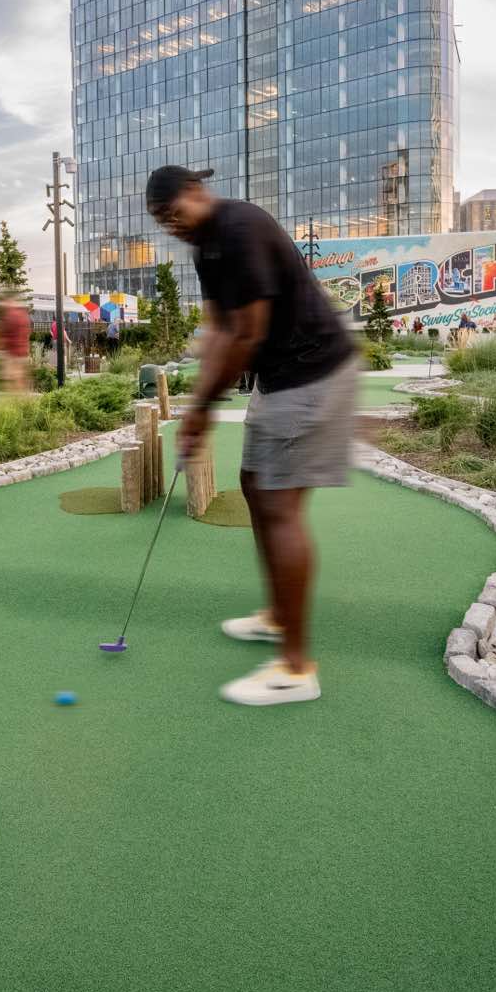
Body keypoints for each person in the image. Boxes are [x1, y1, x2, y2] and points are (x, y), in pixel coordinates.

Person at [147, 165, 358, 706]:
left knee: (280, 504)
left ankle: (295, 667)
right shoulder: (205, 249)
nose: (172, 227)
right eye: (161, 223)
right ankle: (277, 614)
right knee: (253, 484)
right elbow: (219, 328)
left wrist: (200, 410)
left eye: (174, 213)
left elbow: (247, 332)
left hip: (313, 373)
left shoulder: (240, 228)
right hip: (281, 376)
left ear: (197, 193)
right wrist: (198, 393)